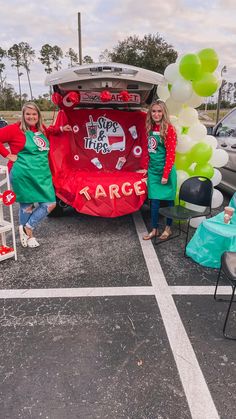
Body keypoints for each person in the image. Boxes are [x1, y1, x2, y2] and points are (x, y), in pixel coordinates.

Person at [0, 102, 72, 248]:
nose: (31, 117)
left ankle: (28, 227)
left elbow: (51, 131)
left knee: (50, 203)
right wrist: (7, 155)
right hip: (23, 173)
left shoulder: (41, 129)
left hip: (41, 174)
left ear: (38, 116)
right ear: (23, 115)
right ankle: (28, 235)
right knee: (27, 206)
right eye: (28, 114)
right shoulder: (14, 129)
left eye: (34, 114)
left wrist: (61, 128)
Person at [143, 100, 177, 240]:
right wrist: (146, 169)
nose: (156, 114)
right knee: (154, 202)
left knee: (169, 201)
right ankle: (155, 229)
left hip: (165, 171)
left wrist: (165, 174)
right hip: (153, 171)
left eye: (159, 111)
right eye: (153, 111)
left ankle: (168, 229)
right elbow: (150, 151)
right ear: (150, 113)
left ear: (164, 112)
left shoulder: (169, 129)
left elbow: (171, 154)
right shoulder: (150, 128)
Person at [186, 192, 236, 268]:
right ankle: (199, 253)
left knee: (228, 234)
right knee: (206, 224)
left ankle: (226, 260)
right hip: (230, 215)